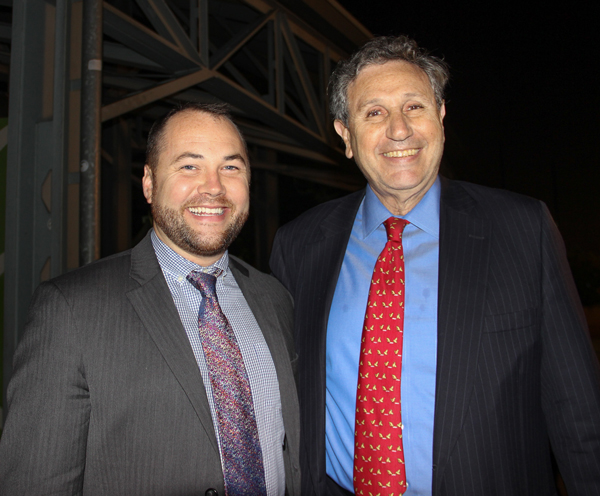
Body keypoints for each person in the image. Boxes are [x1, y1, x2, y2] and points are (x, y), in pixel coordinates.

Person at [270, 35, 600, 496]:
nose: (399, 130)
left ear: (441, 116)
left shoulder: (523, 230)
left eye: (415, 107)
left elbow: (579, 411)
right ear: (345, 136)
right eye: (374, 113)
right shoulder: (298, 245)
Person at [0, 102, 300, 496]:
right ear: (149, 183)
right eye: (189, 166)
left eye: (231, 167)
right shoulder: (70, 310)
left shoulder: (275, 297)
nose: (213, 185)